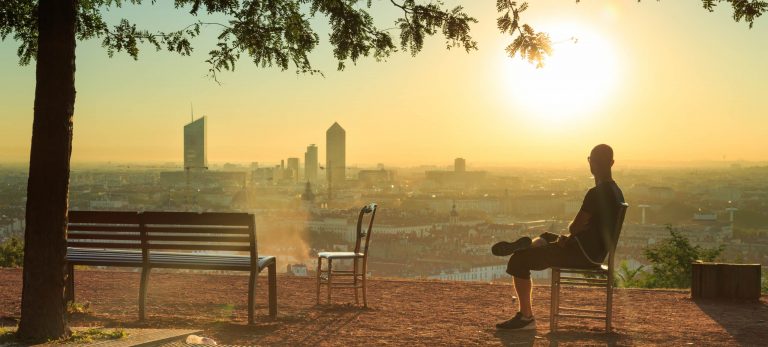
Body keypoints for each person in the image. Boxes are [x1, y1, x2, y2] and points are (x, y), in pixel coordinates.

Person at [492, 144, 625, 330]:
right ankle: (529, 247)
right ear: (611, 163)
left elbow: (576, 226)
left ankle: (526, 318)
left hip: (582, 253)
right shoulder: (616, 191)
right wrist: (569, 238)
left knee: (518, 261)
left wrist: (570, 236)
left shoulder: (596, 194)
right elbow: (587, 229)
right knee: (546, 236)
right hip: (593, 252)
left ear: (591, 164)